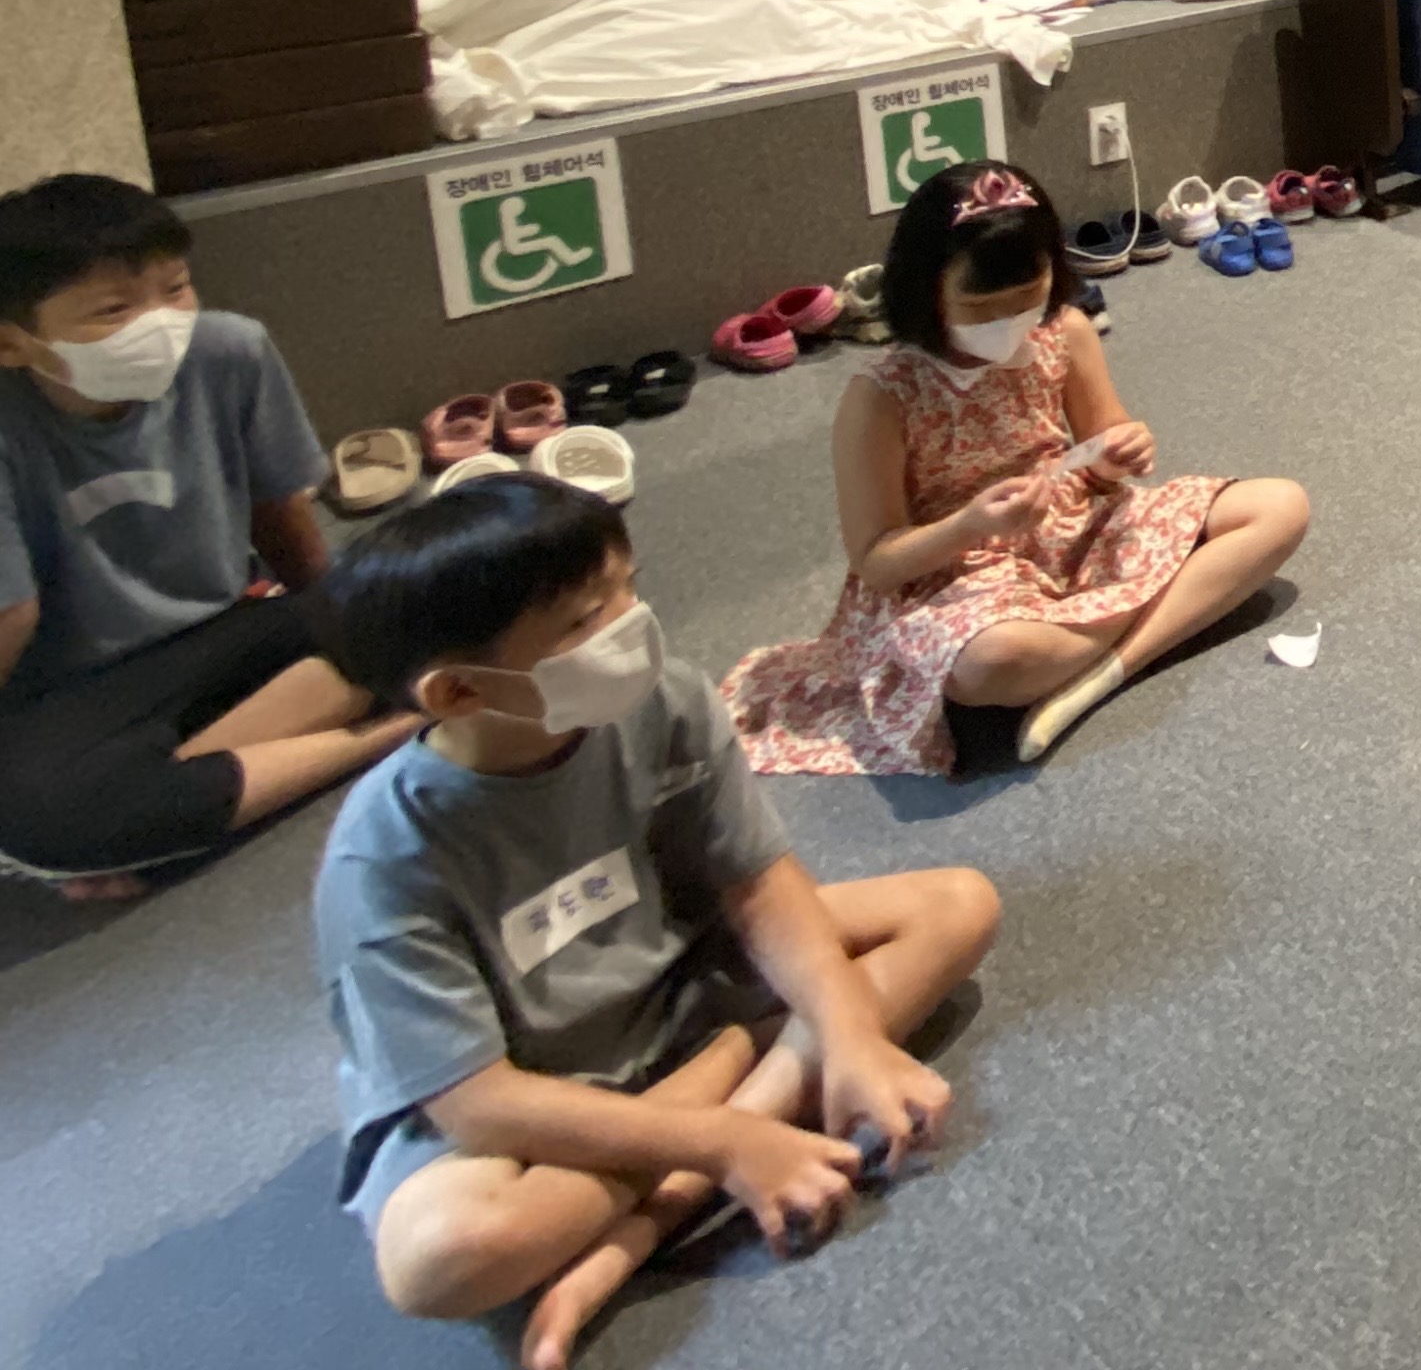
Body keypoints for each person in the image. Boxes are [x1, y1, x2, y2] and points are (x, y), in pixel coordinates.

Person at [315, 474, 998, 1370]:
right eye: (584, 620)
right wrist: (724, 1138)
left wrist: (850, 1038)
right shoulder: (382, 858)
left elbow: (760, 885)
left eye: (626, 589)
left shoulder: (662, 697)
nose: (630, 624)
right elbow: (480, 1104)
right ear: (459, 693)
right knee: (442, 1259)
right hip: (536, 1084)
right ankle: (747, 1069)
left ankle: (646, 1222)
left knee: (956, 905)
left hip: (680, 976)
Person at [724, 164, 1310, 774]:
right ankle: (1164, 612)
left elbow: (1106, 446)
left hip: (1074, 527)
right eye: (980, 307)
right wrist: (970, 526)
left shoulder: (1065, 332)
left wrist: (1122, 451)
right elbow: (877, 560)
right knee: (992, 663)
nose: (1007, 321)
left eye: (1028, 298)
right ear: (926, 290)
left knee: (1280, 507)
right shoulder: (881, 397)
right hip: (957, 571)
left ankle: (1106, 669)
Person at [0, 172, 415, 897]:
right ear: (12, 342)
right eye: (113, 309)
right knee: (33, 813)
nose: (160, 322)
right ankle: (395, 729)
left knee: (430, 603)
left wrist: (340, 614)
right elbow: (13, 616)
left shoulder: (229, 352)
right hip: (77, 686)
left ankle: (167, 820)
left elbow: (278, 509)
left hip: (226, 628)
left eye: (176, 288)